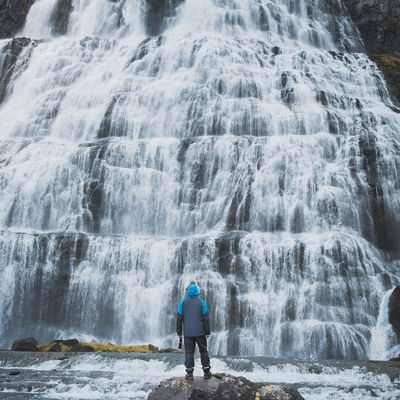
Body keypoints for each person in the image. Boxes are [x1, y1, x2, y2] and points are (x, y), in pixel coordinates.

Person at [176, 283, 211, 380]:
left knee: (189, 353)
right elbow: (206, 318)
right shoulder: (201, 302)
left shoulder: (182, 303)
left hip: (188, 333)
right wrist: (207, 331)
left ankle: (189, 373)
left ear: (188, 292)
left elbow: (179, 319)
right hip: (200, 332)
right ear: (197, 292)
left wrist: (179, 333)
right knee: (203, 351)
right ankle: (207, 372)